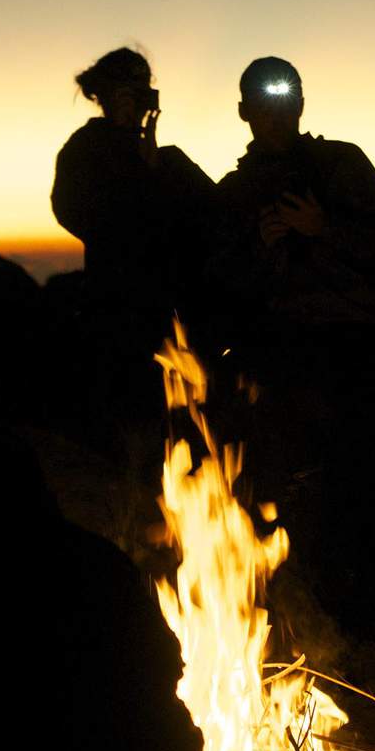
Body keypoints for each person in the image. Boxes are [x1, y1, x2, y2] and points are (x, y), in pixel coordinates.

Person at [210, 57, 375, 601]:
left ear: (300, 103)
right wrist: (264, 249)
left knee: (354, 453)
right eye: (263, 102)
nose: (275, 113)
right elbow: (222, 280)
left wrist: (325, 229)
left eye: (285, 98)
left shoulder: (340, 164)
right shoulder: (234, 193)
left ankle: (349, 582)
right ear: (245, 111)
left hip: (354, 330)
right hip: (275, 337)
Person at [52, 47, 220, 460]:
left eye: (138, 91)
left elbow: (217, 215)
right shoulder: (83, 151)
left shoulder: (170, 162)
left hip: (180, 317)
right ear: (102, 96)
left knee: (191, 431)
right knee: (133, 433)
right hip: (119, 315)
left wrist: (154, 164)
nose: (131, 101)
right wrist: (140, 173)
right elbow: (80, 214)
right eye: (122, 92)